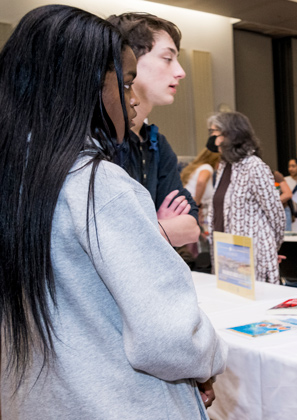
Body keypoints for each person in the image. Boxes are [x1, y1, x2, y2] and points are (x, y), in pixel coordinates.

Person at [0, 5, 226, 418]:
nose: (131, 101)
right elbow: (169, 338)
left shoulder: (17, 182)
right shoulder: (97, 185)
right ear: (83, 87)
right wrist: (208, 359)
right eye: (124, 85)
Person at [107, 12, 200, 247]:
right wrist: (160, 228)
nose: (181, 72)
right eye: (168, 58)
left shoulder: (157, 144)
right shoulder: (100, 141)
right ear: (128, 59)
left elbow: (190, 226)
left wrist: (147, 230)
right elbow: (108, 237)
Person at [209, 112, 285, 283]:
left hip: (250, 255)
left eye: (217, 135)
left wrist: (271, 246)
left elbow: (276, 215)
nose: (214, 142)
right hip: (224, 251)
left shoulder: (254, 166)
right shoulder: (223, 166)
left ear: (232, 135)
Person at [180, 137, 220, 249]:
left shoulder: (197, 167)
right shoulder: (207, 168)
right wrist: (196, 205)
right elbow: (201, 182)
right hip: (194, 208)